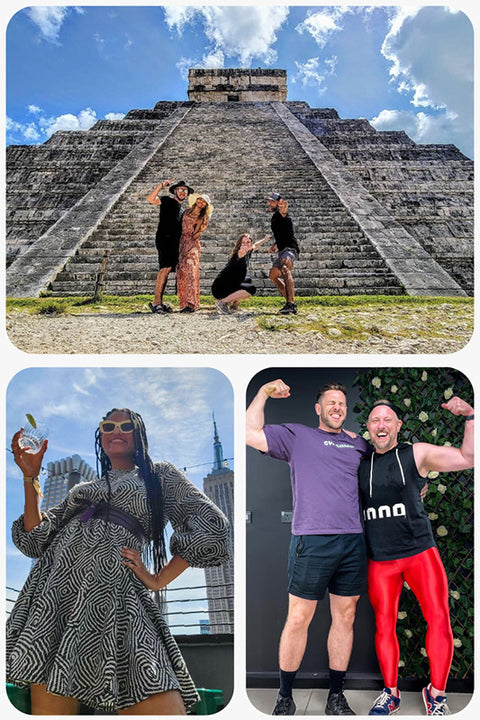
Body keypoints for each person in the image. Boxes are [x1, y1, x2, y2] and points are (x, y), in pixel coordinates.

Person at [6, 408, 231, 715]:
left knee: (161, 701)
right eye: (108, 425)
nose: (117, 430)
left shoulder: (159, 475)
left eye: (126, 425)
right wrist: (30, 478)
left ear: (139, 434)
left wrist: (157, 579)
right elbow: (34, 540)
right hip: (55, 596)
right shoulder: (83, 491)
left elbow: (213, 526)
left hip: (118, 592)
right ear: (101, 435)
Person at [246, 379, 370, 716]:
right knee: (298, 618)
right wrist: (262, 394)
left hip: (352, 541)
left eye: (341, 403)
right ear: (319, 408)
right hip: (312, 541)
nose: (336, 408)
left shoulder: (360, 445)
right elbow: (248, 431)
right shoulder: (297, 436)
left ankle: (335, 697)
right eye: (330, 402)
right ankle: (285, 697)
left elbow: (384, 476)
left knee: (345, 617)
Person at [359, 397, 474, 717]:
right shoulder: (359, 463)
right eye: (374, 420)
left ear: (397, 426)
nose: (381, 425)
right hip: (381, 558)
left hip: (420, 552)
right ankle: (390, 693)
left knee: (439, 618)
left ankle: (436, 694)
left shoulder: (417, 453)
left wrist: (470, 415)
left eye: (387, 420)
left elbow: (469, 457)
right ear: (368, 428)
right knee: (384, 625)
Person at [146, 178, 194, 314]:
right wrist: (160, 185)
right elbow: (150, 199)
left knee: (167, 270)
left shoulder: (182, 209)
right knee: (164, 268)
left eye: (185, 190)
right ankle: (156, 302)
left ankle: (159, 301)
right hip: (164, 239)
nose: (182, 192)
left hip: (174, 242)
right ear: (175, 191)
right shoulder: (167, 200)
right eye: (180, 189)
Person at [212, 232, 270, 314]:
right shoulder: (240, 253)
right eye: (243, 242)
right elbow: (241, 253)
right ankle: (222, 303)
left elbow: (256, 245)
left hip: (230, 284)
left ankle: (234, 305)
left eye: (248, 242)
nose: (245, 244)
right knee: (251, 289)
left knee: (248, 280)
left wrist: (264, 240)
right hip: (220, 288)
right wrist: (242, 251)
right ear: (240, 244)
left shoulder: (248, 251)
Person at [176, 193, 213, 313]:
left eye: (204, 202)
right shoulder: (186, 211)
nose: (201, 202)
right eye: (200, 199)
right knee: (182, 273)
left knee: (191, 271)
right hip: (180, 242)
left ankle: (192, 303)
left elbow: (195, 235)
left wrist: (201, 230)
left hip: (191, 243)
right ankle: (184, 303)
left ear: (205, 205)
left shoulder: (203, 217)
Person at [266, 193, 300, 315]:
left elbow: (284, 211)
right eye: (269, 201)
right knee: (273, 275)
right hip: (281, 250)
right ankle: (290, 303)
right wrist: (274, 246)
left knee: (285, 268)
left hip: (290, 248)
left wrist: (283, 206)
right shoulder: (274, 218)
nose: (270, 203)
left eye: (272, 202)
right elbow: (280, 234)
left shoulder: (282, 213)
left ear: (279, 203)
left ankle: (290, 304)